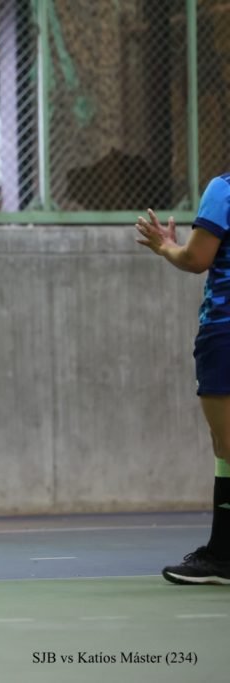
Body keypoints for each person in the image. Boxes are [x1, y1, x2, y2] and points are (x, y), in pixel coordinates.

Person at [136, 172, 230, 585]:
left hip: (225, 331)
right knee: (224, 449)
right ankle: (223, 554)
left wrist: (165, 246)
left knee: (228, 443)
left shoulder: (224, 189)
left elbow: (196, 258)